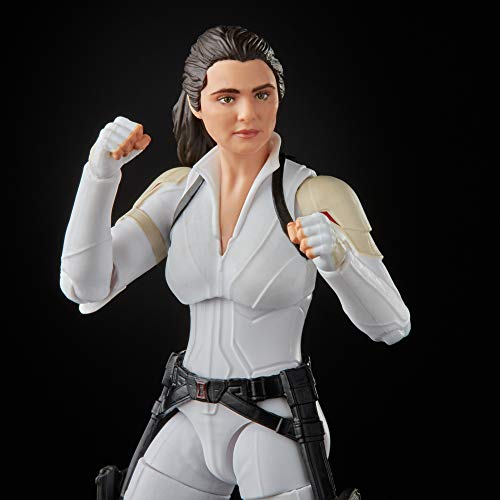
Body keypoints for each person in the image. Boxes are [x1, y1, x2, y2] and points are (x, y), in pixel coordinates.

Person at [60, 25, 410, 500]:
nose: (248, 113)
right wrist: (99, 175)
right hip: (189, 411)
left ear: (278, 97)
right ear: (197, 105)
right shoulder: (178, 193)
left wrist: (341, 261)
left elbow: (392, 325)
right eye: (227, 98)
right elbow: (85, 286)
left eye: (262, 94)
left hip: (273, 421)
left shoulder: (314, 195)